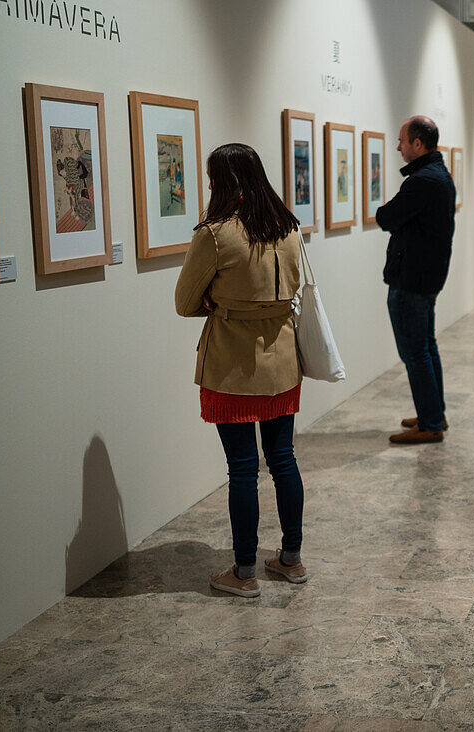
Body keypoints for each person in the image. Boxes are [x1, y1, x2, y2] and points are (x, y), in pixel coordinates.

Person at [175, 143, 308, 598]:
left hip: (232, 364)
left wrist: (217, 300)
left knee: (242, 469)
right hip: (283, 361)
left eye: (212, 177)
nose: (209, 185)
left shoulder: (214, 234)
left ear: (223, 181)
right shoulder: (288, 227)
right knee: (283, 459)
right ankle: (291, 560)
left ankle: (245, 571)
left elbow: (184, 302)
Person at [376, 116, 457, 445]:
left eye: (402, 141)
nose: (398, 147)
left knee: (415, 352)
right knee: (426, 347)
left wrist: (389, 215)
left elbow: (387, 216)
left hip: (412, 279)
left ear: (418, 144)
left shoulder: (423, 181)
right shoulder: (439, 176)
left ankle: (430, 423)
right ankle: (434, 412)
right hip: (426, 277)